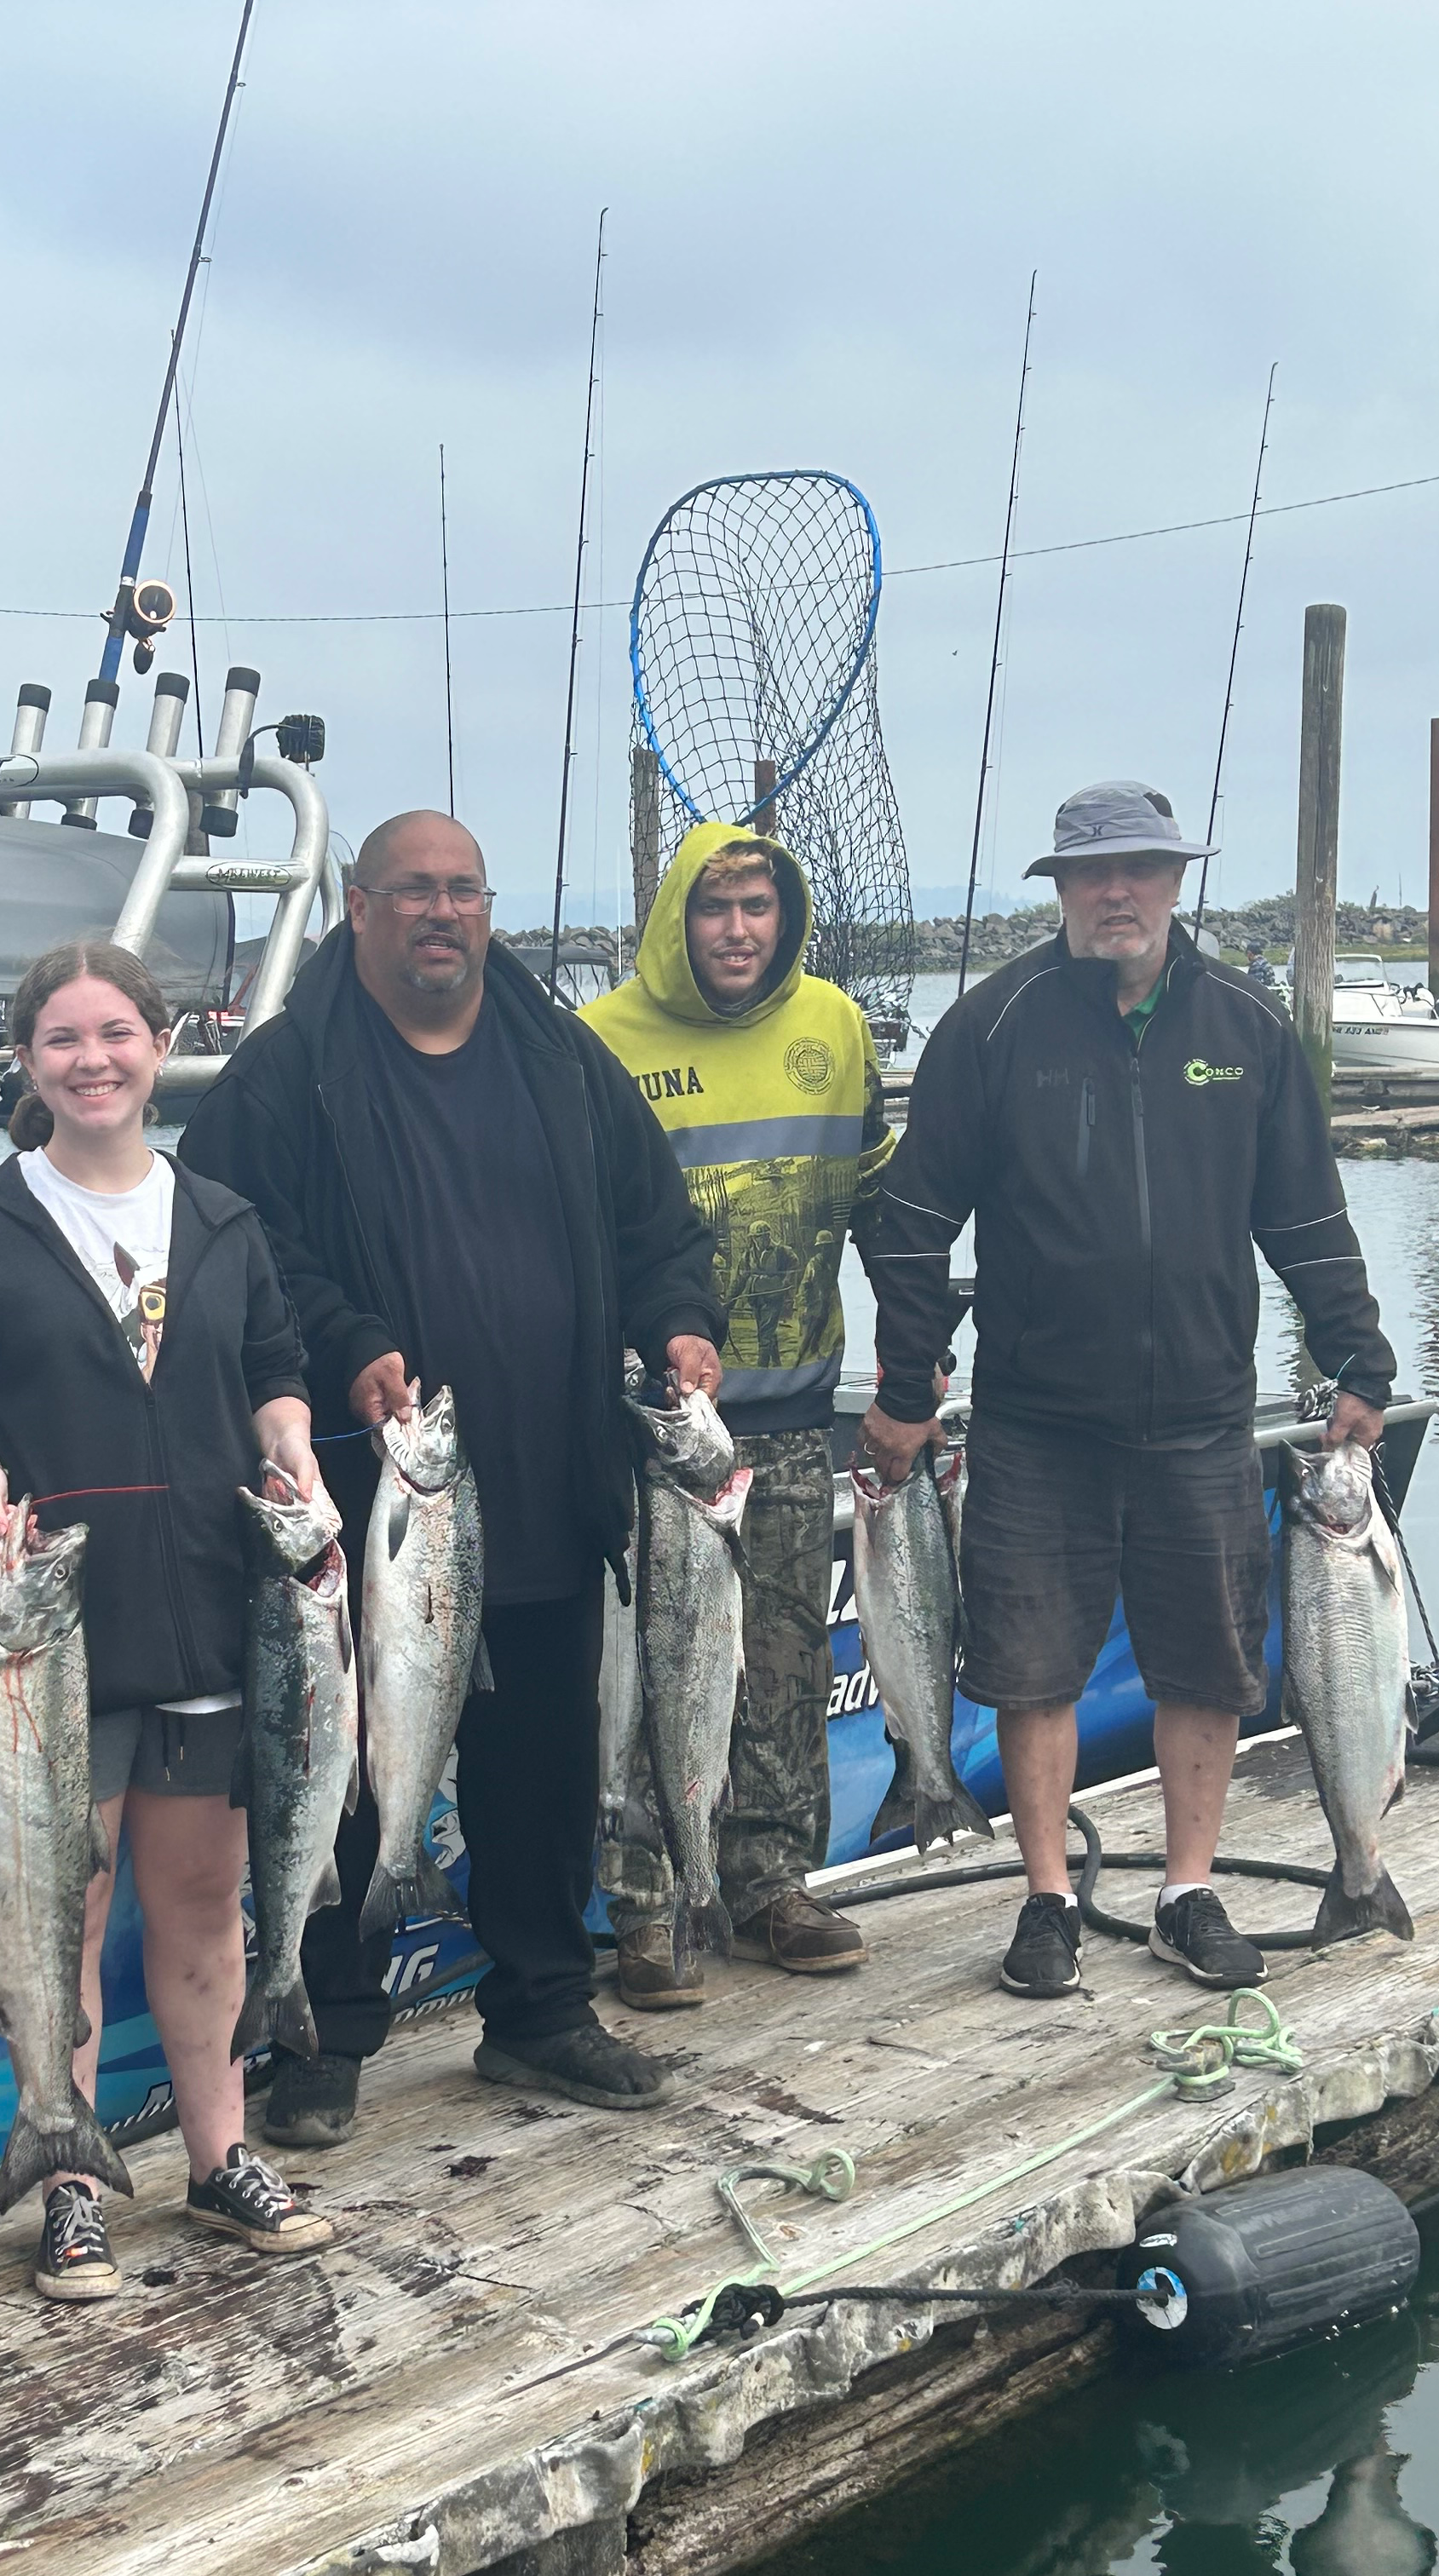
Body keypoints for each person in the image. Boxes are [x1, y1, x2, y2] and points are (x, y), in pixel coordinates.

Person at [178, 809, 726, 2148]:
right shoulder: (282, 1076)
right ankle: (330, 2030)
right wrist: (351, 1343)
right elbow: (239, 1256)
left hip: (551, 1476)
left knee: (540, 1765)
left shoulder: (565, 1061)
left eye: (464, 892)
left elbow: (659, 1228)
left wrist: (680, 1323)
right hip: (377, 1500)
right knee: (360, 1765)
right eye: (413, 891)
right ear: (356, 908)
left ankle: (541, 2009)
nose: (442, 913)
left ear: (491, 911)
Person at [857, 780, 1396, 1999]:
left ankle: (1187, 1891)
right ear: (1059, 888)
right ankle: (1048, 1897)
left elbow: (1306, 1215)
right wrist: (902, 1379)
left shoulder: (1250, 1031)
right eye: (1093, 875)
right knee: (1032, 1668)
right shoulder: (993, 1027)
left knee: (1205, 1665)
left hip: (1204, 1413)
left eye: (1141, 871)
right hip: (1037, 1418)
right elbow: (907, 1224)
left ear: (1175, 880)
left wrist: (1359, 1358)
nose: (1118, 894)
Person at [0, 940, 336, 2303]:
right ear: (29, 1061)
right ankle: (70, 2180)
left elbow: (272, 1371)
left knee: (204, 1911)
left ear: (161, 1043)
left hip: (209, 1613)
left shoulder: (223, 1221)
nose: (94, 1060)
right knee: (57, 1916)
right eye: (64, 1040)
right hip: (41, 1638)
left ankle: (219, 2157)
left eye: (117, 1034)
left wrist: (294, 1444)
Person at [579, 821, 892, 2007]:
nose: (738, 932)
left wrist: (913, 1365)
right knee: (659, 1674)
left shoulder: (836, 1026)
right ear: (675, 919)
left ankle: (770, 1881)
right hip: (653, 1433)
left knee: (783, 1663)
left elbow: (877, 1200)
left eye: (759, 907)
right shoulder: (599, 1041)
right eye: (714, 910)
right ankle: (647, 1907)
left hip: (795, 1409)